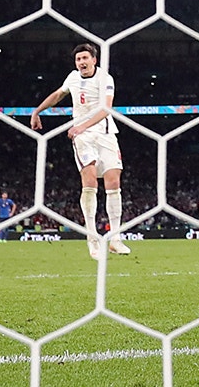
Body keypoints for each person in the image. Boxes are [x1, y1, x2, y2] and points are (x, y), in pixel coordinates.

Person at [30, 42, 129, 259]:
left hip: (105, 133)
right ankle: (92, 238)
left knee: (113, 182)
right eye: (78, 59)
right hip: (83, 137)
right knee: (90, 181)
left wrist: (82, 125)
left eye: (85, 58)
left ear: (94, 60)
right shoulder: (73, 78)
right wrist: (37, 111)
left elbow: (106, 108)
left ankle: (115, 239)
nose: (81, 62)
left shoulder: (105, 78)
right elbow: (58, 95)